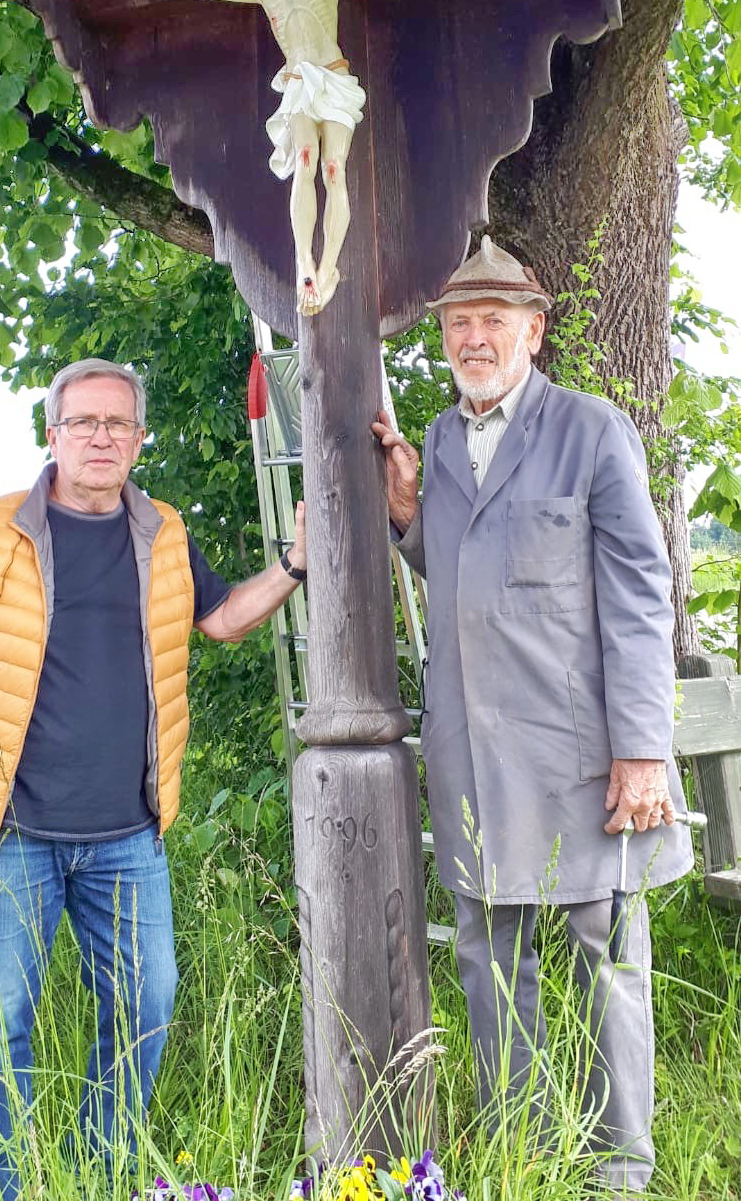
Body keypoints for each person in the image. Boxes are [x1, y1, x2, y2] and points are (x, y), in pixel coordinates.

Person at [0, 357, 307, 1200]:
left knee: (147, 1006)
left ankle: (99, 1166)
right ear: (51, 434)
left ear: (138, 438)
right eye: (82, 421)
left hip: (127, 835)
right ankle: (5, 1188)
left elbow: (221, 618)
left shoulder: (162, 531)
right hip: (8, 837)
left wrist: (295, 564)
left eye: (116, 423)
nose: (100, 436)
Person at [371, 236, 692, 1196]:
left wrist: (642, 751)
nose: (473, 338)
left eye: (493, 320)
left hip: (580, 753)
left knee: (605, 955)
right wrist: (406, 517)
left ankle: (617, 1167)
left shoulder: (590, 429)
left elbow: (639, 598)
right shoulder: (437, 437)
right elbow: (461, 568)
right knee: (486, 958)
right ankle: (523, 1152)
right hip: (473, 752)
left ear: (534, 330)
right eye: (457, 322)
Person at [142, 0, 460, 314]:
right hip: (296, 85)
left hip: (333, 79)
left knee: (334, 169)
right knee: (305, 162)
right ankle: (305, 261)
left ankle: (329, 267)